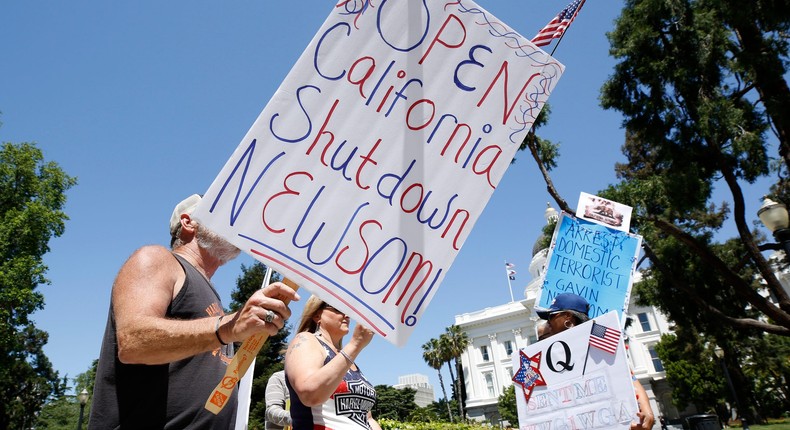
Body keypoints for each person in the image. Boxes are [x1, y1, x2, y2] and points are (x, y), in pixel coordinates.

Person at [89, 194, 299, 429]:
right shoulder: (157, 259)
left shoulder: (213, 297)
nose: (234, 225)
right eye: (221, 216)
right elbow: (133, 341)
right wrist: (227, 328)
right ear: (188, 222)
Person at [535, 293, 655, 430]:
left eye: (552, 316)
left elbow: (628, 375)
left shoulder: (599, 333)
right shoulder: (552, 351)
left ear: (568, 316)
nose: (548, 322)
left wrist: (647, 411)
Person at [284, 295, 381, 430]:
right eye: (339, 309)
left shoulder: (346, 359)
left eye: (348, 311)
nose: (347, 315)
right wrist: (355, 345)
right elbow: (309, 393)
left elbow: (367, 418)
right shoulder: (306, 340)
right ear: (317, 315)